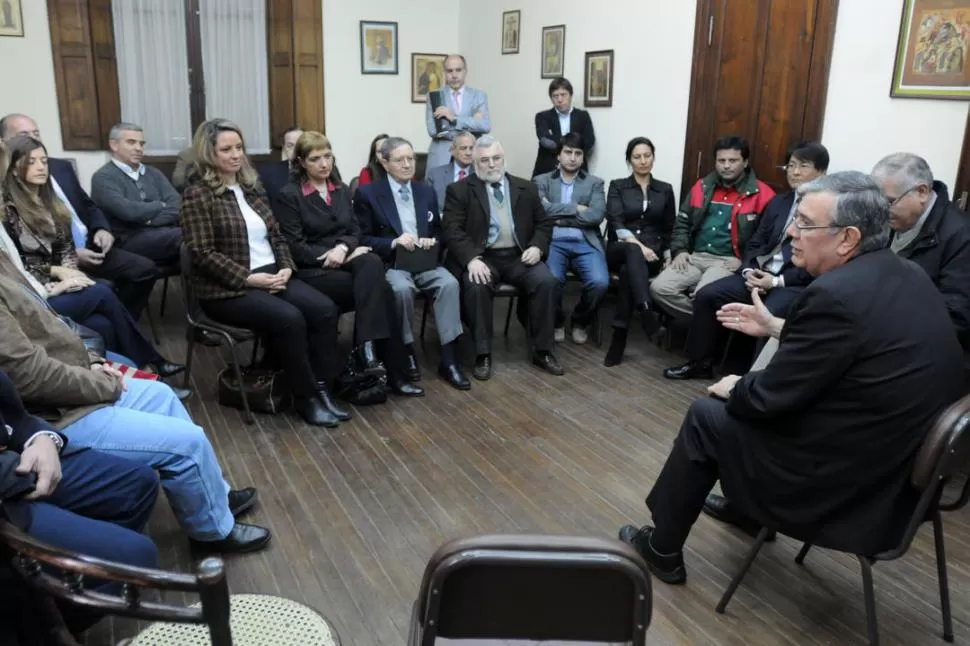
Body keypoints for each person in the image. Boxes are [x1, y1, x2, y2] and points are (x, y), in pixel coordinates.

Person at [617, 171, 965, 585]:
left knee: (707, 414)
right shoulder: (906, 274)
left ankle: (662, 550)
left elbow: (768, 398)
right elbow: (849, 351)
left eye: (804, 223)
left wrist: (737, 386)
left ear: (848, 238)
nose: (792, 233)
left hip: (848, 489)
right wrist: (776, 327)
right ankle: (745, 515)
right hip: (899, 479)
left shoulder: (833, 296)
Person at [0, 256, 271, 554]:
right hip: (57, 415)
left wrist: (93, 362)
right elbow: (30, 378)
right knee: (187, 444)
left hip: (74, 387)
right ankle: (211, 534)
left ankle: (215, 496)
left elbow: (52, 325)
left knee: (160, 395)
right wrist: (103, 384)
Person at [180, 119, 349, 427]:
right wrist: (247, 278)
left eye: (239, 148)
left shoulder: (252, 188)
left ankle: (324, 390)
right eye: (226, 149)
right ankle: (306, 398)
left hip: (272, 274)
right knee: (290, 318)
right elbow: (202, 254)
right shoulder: (198, 195)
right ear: (208, 153)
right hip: (228, 289)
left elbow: (278, 236)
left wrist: (286, 266)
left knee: (325, 310)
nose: (236, 155)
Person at [1, 134, 183, 377]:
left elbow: (65, 249)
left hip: (61, 283)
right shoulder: (9, 210)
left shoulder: (51, 202)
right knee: (102, 292)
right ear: (13, 169)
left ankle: (122, 378)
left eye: (44, 161)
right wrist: (58, 274)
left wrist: (72, 274)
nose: (41, 167)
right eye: (31, 162)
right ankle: (149, 365)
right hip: (35, 293)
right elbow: (18, 266)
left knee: (102, 325)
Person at [0, 368, 160, 640]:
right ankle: (42, 629)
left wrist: (43, 439)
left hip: (17, 453)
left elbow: (14, 414)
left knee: (139, 486)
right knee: (137, 558)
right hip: (8, 489)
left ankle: (57, 608)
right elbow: (35, 370)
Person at [275, 131, 423, 398]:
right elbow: (294, 246)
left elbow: (355, 230)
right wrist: (333, 253)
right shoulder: (289, 195)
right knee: (383, 291)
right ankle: (389, 369)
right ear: (301, 163)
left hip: (344, 262)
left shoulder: (340, 189)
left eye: (328, 156)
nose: (324, 164)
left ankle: (367, 350)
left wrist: (343, 249)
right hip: (313, 270)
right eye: (315, 158)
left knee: (372, 264)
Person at [663, 142, 826, 380]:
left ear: (821, 173)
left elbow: (817, 261)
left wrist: (776, 281)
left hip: (790, 282)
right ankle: (701, 362)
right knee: (708, 295)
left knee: (768, 313)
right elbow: (756, 241)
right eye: (791, 166)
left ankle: (754, 380)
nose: (795, 172)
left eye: (803, 166)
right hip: (759, 273)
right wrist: (749, 268)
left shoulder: (825, 209)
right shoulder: (780, 202)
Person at [0, 113, 159, 319]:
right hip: (56, 261)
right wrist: (72, 257)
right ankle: (116, 320)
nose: (34, 139)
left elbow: (88, 204)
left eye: (36, 133)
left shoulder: (60, 167)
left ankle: (123, 319)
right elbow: (24, 257)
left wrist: (102, 228)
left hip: (90, 245)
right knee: (102, 303)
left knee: (144, 269)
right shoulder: (8, 194)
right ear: (4, 143)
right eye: (24, 134)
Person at [441, 135, 563, 380]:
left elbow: (544, 223)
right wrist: (471, 259)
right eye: (485, 160)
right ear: (475, 163)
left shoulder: (526, 187)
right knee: (476, 286)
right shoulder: (460, 190)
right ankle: (482, 353)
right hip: (483, 257)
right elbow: (452, 230)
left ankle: (543, 350)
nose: (492, 164)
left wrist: (538, 247)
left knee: (547, 282)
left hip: (519, 257)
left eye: (496, 158)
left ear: (503, 159)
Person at [355, 136, 469, 390]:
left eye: (411, 159)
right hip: (394, 263)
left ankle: (449, 359)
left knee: (450, 283)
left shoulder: (425, 191)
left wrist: (432, 241)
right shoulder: (369, 194)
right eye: (400, 160)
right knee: (401, 289)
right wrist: (394, 242)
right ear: (384, 163)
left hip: (425, 262)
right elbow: (362, 237)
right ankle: (406, 352)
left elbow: (439, 231)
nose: (408, 165)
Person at [650, 135, 775, 319]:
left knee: (703, 295)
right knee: (659, 288)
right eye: (721, 160)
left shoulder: (763, 194)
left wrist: (745, 263)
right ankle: (703, 321)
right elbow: (682, 222)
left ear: (745, 162)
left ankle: (703, 323)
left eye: (733, 161)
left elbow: (767, 240)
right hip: (695, 256)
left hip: (728, 262)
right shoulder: (702, 187)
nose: (726, 165)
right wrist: (681, 249)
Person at [871, 152, 970, 379]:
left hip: (929, 356)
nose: (880, 210)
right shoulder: (891, 221)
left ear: (922, 192)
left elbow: (955, 319)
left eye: (887, 201)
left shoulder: (961, 237)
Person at [602, 137, 676, 366]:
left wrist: (667, 256)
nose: (643, 161)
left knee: (628, 272)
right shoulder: (617, 186)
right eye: (637, 157)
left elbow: (669, 228)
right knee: (632, 254)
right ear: (629, 160)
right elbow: (615, 222)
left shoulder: (665, 189)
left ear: (653, 157)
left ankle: (619, 337)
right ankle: (647, 314)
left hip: (652, 253)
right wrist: (640, 247)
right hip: (620, 248)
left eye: (647, 155)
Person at [532, 133, 608, 344]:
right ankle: (556, 321)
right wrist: (576, 209)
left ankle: (580, 320)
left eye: (578, 153)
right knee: (552, 280)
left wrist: (559, 218)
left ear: (583, 157)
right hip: (553, 242)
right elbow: (542, 211)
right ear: (558, 155)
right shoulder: (541, 181)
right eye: (568, 152)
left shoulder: (595, 183)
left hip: (586, 242)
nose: (572, 158)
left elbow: (596, 215)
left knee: (600, 282)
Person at [90, 122, 181, 267]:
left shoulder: (153, 173)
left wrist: (149, 221)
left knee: (197, 238)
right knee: (189, 237)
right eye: (131, 142)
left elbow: (177, 205)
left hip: (164, 233)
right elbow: (128, 212)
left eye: (141, 144)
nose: (139, 148)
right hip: (128, 240)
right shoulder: (103, 177)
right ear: (114, 145)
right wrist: (159, 205)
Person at [425, 55, 491, 169]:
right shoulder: (434, 96)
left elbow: (485, 126)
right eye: (450, 71)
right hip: (441, 158)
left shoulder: (478, 96)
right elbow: (434, 131)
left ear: (465, 71)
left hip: (471, 157)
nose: (454, 75)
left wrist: (454, 119)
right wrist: (471, 124)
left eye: (458, 70)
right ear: (444, 73)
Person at [531, 77, 595, 178]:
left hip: (577, 171)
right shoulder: (542, 117)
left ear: (570, 95)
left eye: (563, 95)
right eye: (555, 96)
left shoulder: (583, 116)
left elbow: (589, 141)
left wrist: (571, 155)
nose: (559, 99)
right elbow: (545, 140)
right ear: (551, 98)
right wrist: (574, 142)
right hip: (548, 171)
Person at [425, 130, 475, 208]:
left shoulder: (480, 175)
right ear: (452, 150)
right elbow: (428, 207)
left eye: (471, 148)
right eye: (463, 148)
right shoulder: (435, 175)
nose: (468, 153)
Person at [258, 125, 304, 209]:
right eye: (290, 145)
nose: (296, 150)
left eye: (300, 145)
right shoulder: (267, 173)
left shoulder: (321, 170)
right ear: (284, 147)